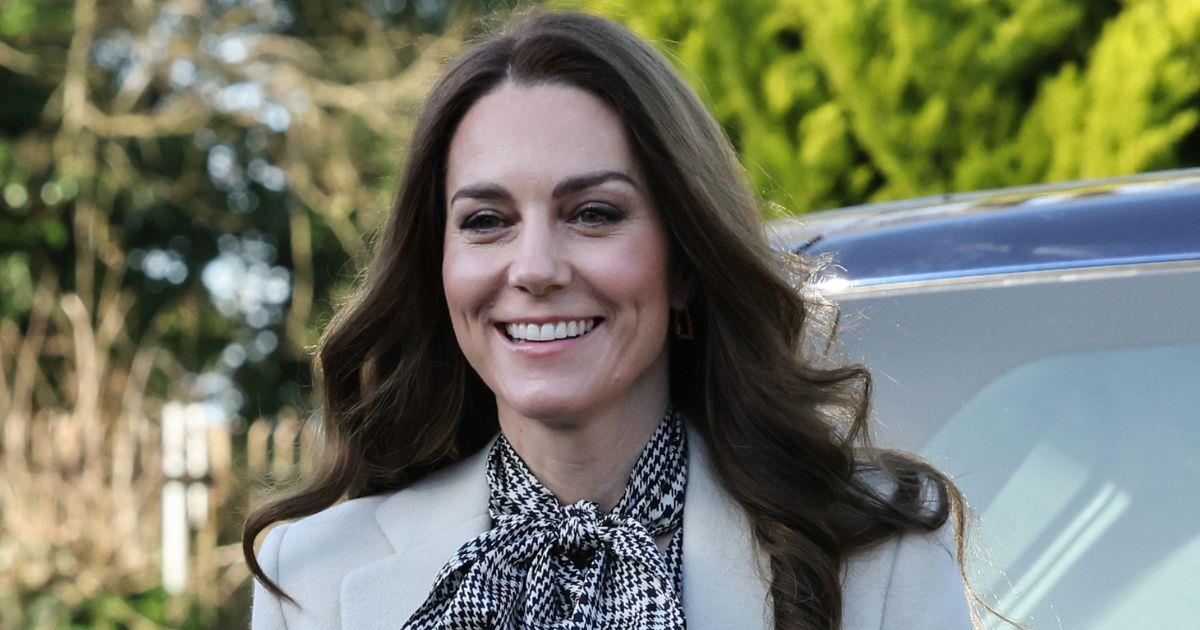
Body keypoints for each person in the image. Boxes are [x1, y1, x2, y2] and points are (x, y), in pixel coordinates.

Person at [244, 9, 977, 630]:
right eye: (486, 220)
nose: (534, 268)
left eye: (593, 213)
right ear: (437, 266)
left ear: (684, 260)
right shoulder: (307, 578)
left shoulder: (878, 551)